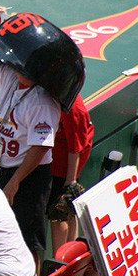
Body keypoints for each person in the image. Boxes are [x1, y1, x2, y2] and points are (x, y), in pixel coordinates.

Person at [0, 11, 85, 275]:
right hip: (3, 168)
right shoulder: (10, 74)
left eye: (23, 68)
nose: (17, 70)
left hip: (29, 177)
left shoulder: (42, 102)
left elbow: (41, 148)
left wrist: (14, 183)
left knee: (29, 237)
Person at [47, 93, 94, 256]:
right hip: (57, 163)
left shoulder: (73, 107)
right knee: (68, 211)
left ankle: (59, 260)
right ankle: (70, 257)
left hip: (62, 169)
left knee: (59, 212)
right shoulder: (63, 98)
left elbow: (76, 148)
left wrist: (70, 181)